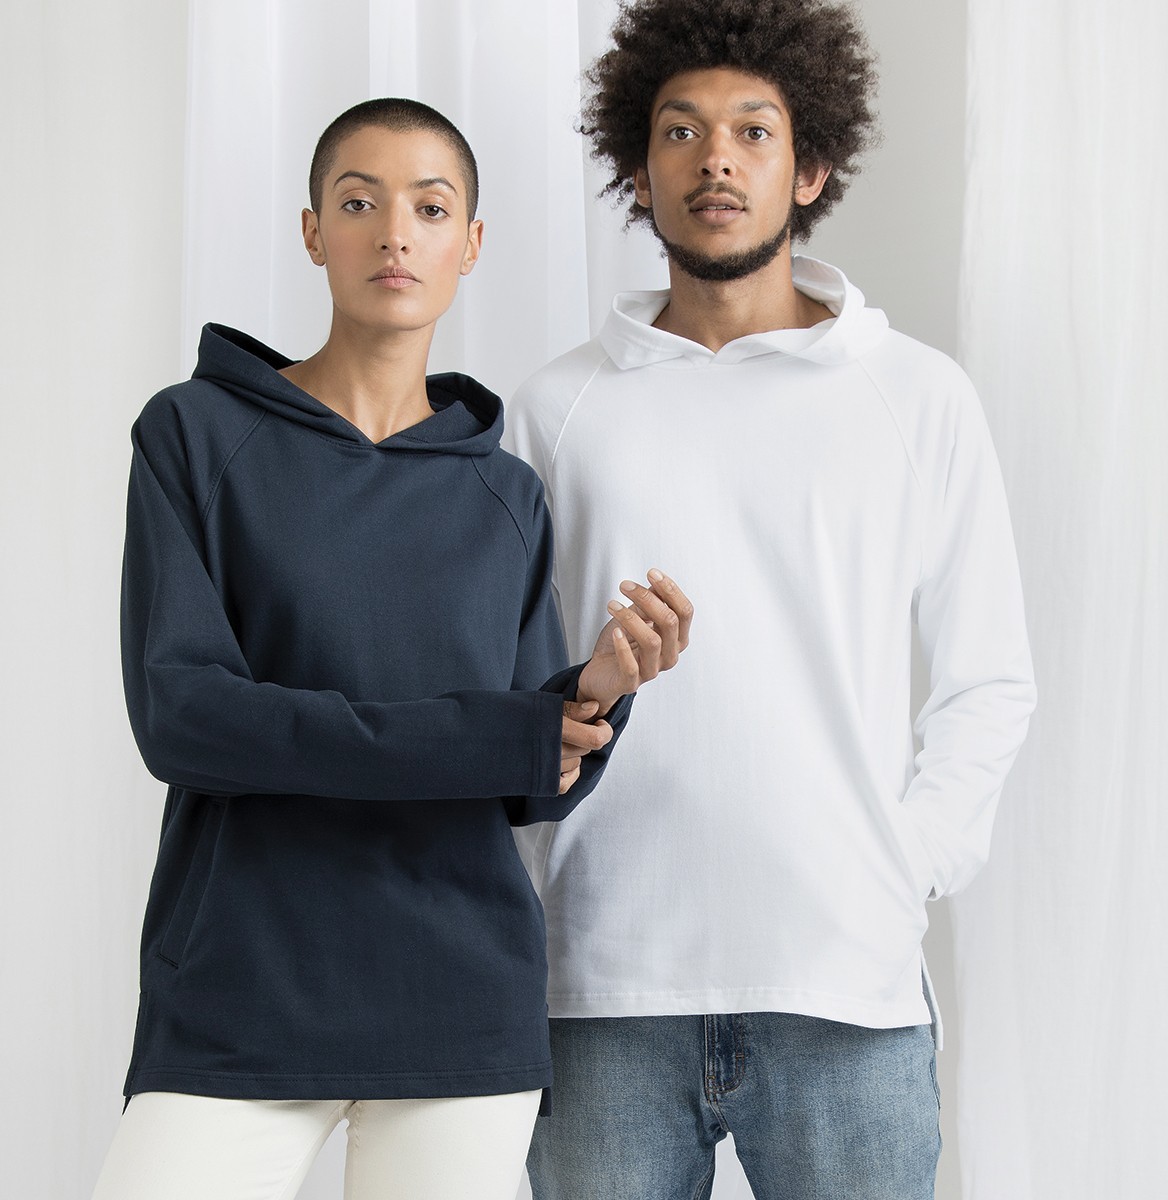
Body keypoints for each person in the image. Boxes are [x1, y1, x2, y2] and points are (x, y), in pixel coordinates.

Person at [90, 98, 691, 1200]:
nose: (395, 235)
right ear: (313, 231)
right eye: (360, 203)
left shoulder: (505, 493)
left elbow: (525, 782)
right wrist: (489, 738)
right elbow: (187, 717)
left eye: (431, 208)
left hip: (460, 1001)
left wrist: (594, 695)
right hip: (239, 983)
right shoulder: (195, 434)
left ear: (472, 243)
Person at [503, 1, 1036, 1197]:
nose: (716, 160)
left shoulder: (917, 397)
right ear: (638, 170)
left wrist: (904, 860)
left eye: (753, 130)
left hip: (846, 988)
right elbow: (503, 684)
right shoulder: (556, 409)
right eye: (680, 131)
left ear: (812, 168)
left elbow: (989, 675)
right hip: (601, 988)